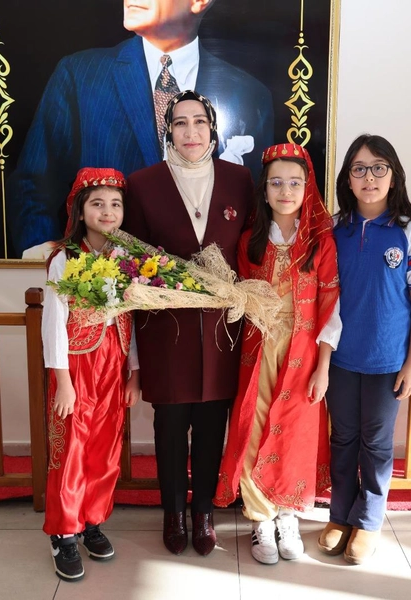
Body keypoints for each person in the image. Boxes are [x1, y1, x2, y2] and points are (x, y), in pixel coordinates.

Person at [7, 0, 273, 259]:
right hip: (105, 276)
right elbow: (34, 182)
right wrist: (44, 258)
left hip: (211, 281)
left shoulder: (249, 93)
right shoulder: (80, 75)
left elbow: (256, 208)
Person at [122, 90, 254, 556]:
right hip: (166, 331)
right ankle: (174, 512)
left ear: (212, 128)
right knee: (171, 427)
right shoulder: (143, 184)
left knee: (212, 424)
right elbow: (131, 261)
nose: (191, 131)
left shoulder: (240, 180)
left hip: (222, 331)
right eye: (180, 123)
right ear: (168, 131)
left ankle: (204, 513)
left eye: (199, 121)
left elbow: (250, 252)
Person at [213, 143, 340, 565]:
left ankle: (287, 515)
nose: (286, 191)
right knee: (254, 427)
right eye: (276, 183)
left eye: (295, 183)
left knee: (296, 430)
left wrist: (323, 367)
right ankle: (260, 519)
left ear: (308, 188)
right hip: (258, 348)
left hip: (303, 352)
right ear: (264, 190)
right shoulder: (249, 242)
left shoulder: (320, 243)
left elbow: (331, 307)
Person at [318, 135, 411, 565]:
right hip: (340, 359)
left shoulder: (410, 232)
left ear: (393, 175)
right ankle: (339, 516)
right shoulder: (333, 231)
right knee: (343, 438)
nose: (369, 178)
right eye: (359, 169)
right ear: (347, 179)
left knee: (377, 444)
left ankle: (368, 521)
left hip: (388, 362)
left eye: (378, 168)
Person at [41, 167, 141, 581]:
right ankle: (64, 532)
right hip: (77, 365)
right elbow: (53, 322)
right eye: (97, 204)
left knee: (104, 449)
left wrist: (134, 373)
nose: (107, 211)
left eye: (115, 204)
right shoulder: (64, 258)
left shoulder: (127, 258)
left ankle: (91, 520)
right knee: (71, 450)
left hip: (113, 364)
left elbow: (131, 317)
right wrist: (62, 382)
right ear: (80, 211)